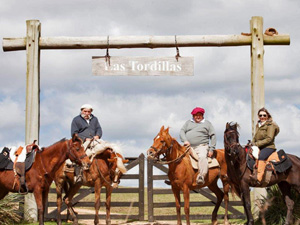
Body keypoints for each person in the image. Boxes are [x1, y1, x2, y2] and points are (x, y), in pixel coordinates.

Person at [179, 107, 216, 185]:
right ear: (193, 116)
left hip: (201, 146)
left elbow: (213, 135)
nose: (198, 117)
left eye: (199, 115)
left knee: (202, 157)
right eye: (196, 115)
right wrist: (185, 140)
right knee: (177, 155)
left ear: (202, 115)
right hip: (188, 146)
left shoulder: (207, 123)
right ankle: (175, 177)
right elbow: (182, 131)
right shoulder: (188, 123)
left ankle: (201, 176)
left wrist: (211, 149)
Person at [70, 104, 103, 182]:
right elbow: (74, 133)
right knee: (81, 155)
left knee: (106, 148)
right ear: (81, 111)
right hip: (82, 142)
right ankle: (78, 175)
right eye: (85, 111)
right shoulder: (76, 120)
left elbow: (99, 129)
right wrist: (84, 139)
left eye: (89, 111)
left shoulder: (95, 119)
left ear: (91, 112)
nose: (87, 113)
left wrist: (98, 135)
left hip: (95, 140)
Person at [250, 107, 280, 184]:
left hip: (268, 147)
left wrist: (257, 144)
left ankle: (258, 178)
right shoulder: (258, 125)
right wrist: (252, 143)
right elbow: (255, 137)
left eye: (264, 115)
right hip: (259, 146)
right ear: (258, 116)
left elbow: (269, 139)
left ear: (267, 116)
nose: (262, 117)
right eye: (260, 115)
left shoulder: (270, 125)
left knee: (261, 156)